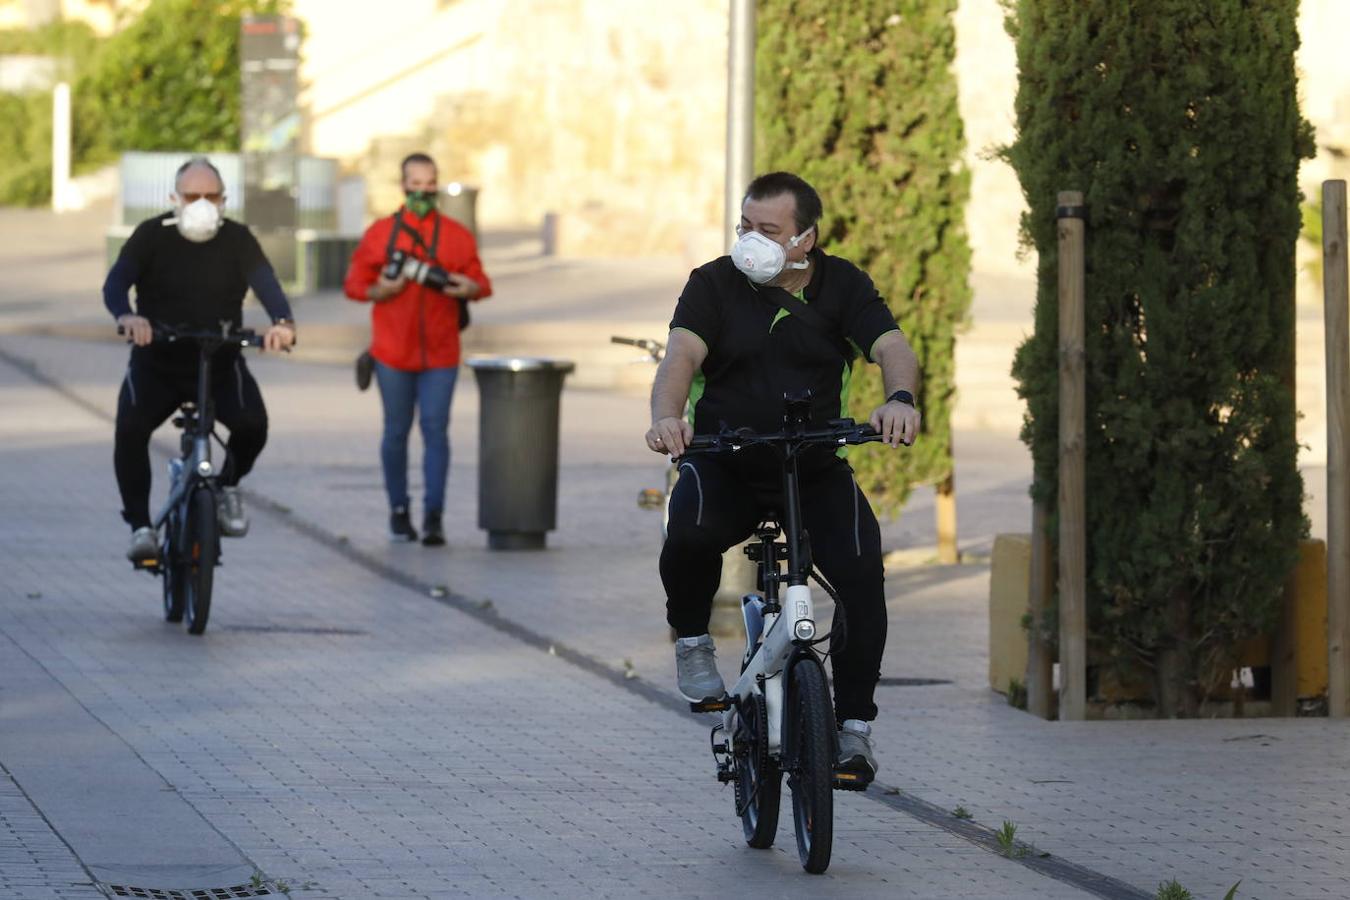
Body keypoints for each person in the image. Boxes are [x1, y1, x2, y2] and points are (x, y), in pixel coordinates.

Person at [647, 171, 921, 786]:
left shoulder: (843, 283)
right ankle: (691, 642)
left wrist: (899, 398)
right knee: (687, 534)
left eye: (768, 231)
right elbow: (680, 358)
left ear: (805, 239)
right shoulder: (712, 283)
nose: (751, 241)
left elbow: (893, 347)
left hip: (813, 462)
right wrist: (667, 418)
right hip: (726, 459)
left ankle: (854, 731)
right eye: (745, 227)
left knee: (861, 575)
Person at [105, 156, 297, 562]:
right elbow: (117, 280)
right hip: (158, 360)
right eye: (192, 196)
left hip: (219, 360)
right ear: (175, 198)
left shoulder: (237, 238)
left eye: (212, 196)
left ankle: (227, 486)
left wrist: (282, 323)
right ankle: (141, 527)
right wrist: (128, 316)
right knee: (130, 430)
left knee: (253, 425)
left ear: (224, 200)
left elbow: (265, 282)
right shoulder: (152, 235)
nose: (202, 205)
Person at [343, 152, 492, 546]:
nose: (423, 192)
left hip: (441, 353)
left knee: (435, 431)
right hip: (392, 352)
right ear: (402, 185)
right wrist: (381, 289)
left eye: (431, 185)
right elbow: (354, 284)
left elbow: (482, 282)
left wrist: (468, 287)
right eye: (416, 184)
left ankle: (433, 516)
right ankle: (398, 511)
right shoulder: (381, 233)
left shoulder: (456, 234)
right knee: (395, 432)